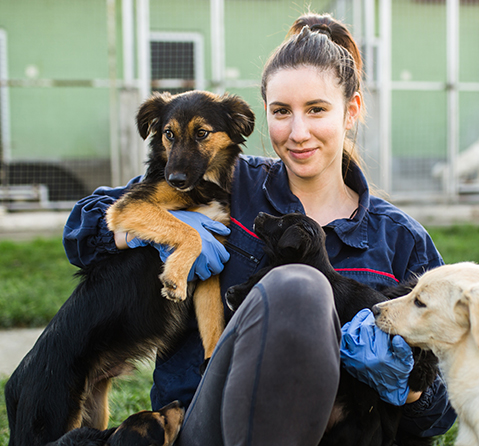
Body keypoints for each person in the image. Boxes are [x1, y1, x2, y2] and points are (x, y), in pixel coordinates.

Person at [63, 13, 456, 445]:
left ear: (352, 111)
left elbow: (440, 413)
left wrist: (408, 385)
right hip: (206, 424)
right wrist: (161, 229)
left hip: (342, 433)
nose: (298, 132)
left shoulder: (400, 241)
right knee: (300, 287)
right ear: (263, 113)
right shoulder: (224, 182)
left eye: (317, 110)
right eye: (282, 112)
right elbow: (84, 225)